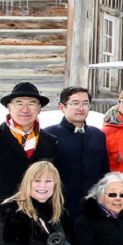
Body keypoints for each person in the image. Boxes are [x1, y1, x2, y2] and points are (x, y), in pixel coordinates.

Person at [0, 81, 59, 237]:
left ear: (39, 109)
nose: (25, 109)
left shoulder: (50, 142)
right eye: (19, 103)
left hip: (37, 223)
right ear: (9, 107)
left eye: (31, 103)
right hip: (0, 224)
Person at [46, 85, 109, 222]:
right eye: (75, 103)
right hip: (61, 209)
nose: (81, 108)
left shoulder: (98, 135)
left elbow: (105, 172)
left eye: (85, 103)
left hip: (92, 211)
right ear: (62, 107)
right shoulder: (49, 135)